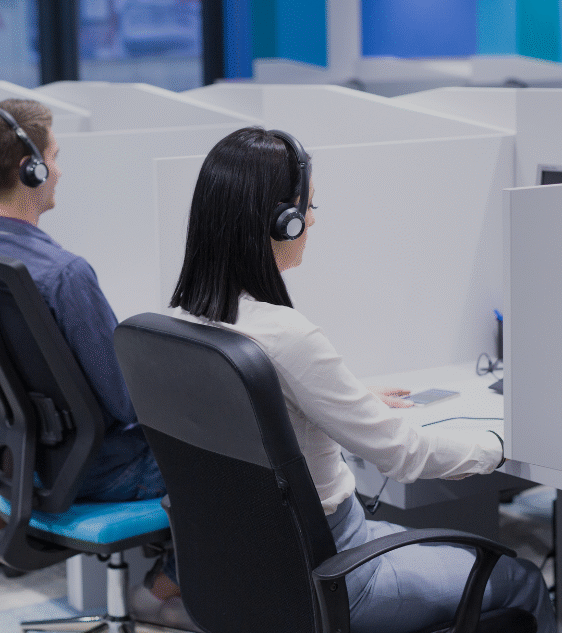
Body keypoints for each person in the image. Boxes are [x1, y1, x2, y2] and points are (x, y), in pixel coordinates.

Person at [170, 126, 555, 633]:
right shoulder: (285, 334)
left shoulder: (181, 320)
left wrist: (336, 401)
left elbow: (254, 417)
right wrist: (503, 443)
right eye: (309, 209)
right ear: (282, 223)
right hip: (337, 568)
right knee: (523, 578)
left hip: (241, 563)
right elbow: (405, 455)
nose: (311, 221)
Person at [0, 99, 190, 628]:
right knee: (232, 455)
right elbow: (123, 401)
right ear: (31, 169)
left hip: (29, 463)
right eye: (55, 156)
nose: (59, 170)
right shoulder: (65, 275)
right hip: (103, 471)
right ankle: (164, 587)